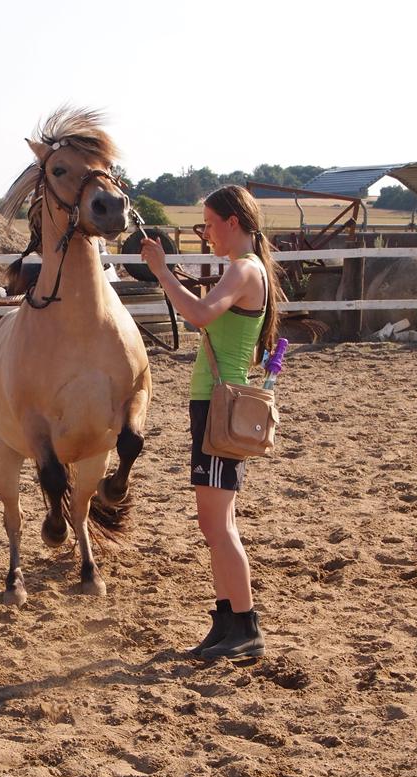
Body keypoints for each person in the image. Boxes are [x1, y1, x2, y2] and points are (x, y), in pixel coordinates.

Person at [140, 185, 285, 659]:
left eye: (208, 223)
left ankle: (245, 626)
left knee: (218, 525)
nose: (205, 233)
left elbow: (199, 313)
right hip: (213, 404)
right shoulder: (241, 269)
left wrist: (162, 272)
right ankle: (227, 621)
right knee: (212, 523)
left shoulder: (244, 269)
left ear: (233, 223)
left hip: (221, 409)